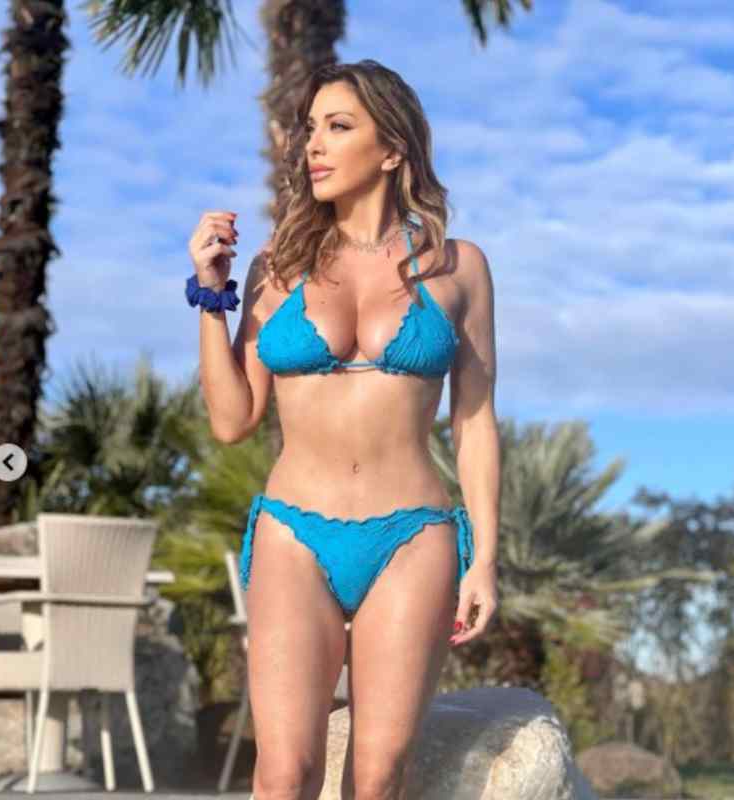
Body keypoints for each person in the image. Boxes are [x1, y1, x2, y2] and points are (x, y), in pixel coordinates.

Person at [187, 59, 499, 799]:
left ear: (391, 148)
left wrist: (484, 557)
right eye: (310, 130)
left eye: (337, 127)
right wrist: (211, 296)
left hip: (413, 535)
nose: (314, 146)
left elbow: (475, 420)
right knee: (282, 774)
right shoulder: (277, 267)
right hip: (294, 531)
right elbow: (233, 421)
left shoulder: (459, 267)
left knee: (380, 774)